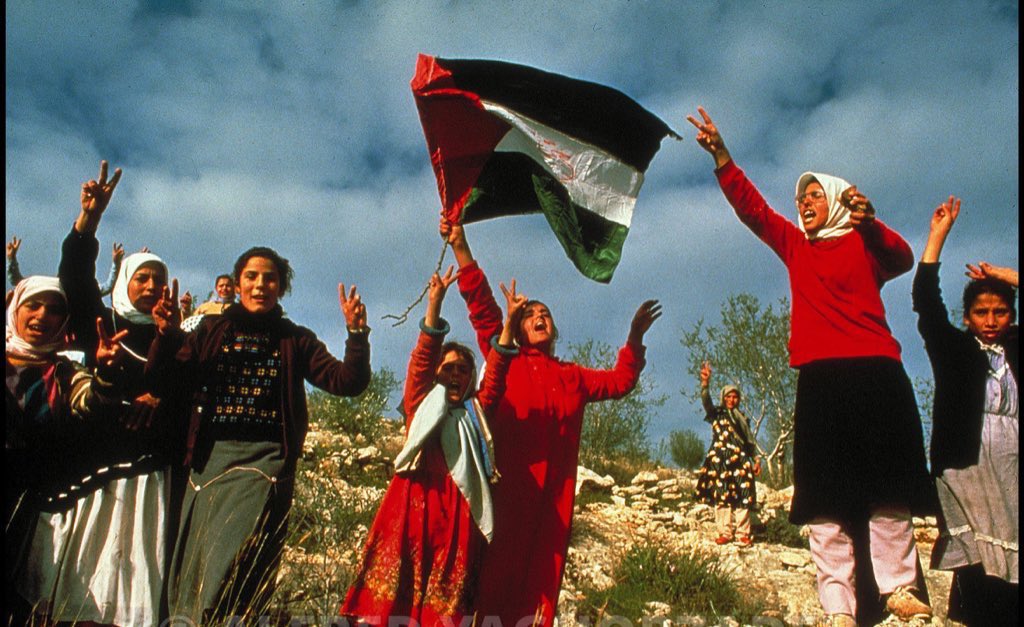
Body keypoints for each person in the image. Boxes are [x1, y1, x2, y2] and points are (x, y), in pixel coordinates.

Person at [687, 107, 936, 625]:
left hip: (876, 373)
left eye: (814, 196)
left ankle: (899, 590)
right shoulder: (797, 248)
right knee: (823, 497)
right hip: (821, 380)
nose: (803, 205)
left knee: (888, 488)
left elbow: (903, 257)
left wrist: (870, 221)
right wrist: (722, 157)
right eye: (800, 199)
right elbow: (753, 211)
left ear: (838, 199)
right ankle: (837, 607)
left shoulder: (865, 242)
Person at [440, 218, 661, 627]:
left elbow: (620, 381)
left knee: (541, 590)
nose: (539, 317)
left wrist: (633, 339)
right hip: (506, 491)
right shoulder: (506, 359)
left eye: (545, 314)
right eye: (530, 314)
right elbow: (482, 309)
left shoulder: (573, 376)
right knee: (493, 581)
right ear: (518, 329)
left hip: (553, 504)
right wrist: (461, 246)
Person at [147, 245, 372, 622]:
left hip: (267, 460)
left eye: (270, 278)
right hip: (211, 460)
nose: (260, 285)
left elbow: (346, 381)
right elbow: (166, 381)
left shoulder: (295, 339)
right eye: (251, 277)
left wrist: (357, 335)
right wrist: (167, 335)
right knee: (198, 556)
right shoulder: (210, 330)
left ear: (281, 288)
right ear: (237, 284)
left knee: (239, 557)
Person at [341, 266, 524, 625]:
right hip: (412, 508)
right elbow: (422, 359)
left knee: (442, 608)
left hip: (457, 516)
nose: (455, 375)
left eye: (463, 370)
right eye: (449, 368)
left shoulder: (476, 414)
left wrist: (509, 325)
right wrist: (434, 305)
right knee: (392, 603)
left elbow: (498, 372)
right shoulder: (420, 404)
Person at [50, 160, 178, 626]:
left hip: (147, 478)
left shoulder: (175, 337)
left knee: (135, 587)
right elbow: (76, 277)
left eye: (157, 279)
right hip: (94, 471)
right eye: (141, 278)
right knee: (82, 587)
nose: (150, 287)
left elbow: (187, 393)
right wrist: (90, 220)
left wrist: (164, 393)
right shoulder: (101, 322)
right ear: (125, 280)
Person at [913, 196, 1018, 626]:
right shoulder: (952, 348)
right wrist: (938, 236)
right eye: (981, 312)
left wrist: (1001, 275)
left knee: (1010, 555)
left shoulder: (1015, 348)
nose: (991, 319)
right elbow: (925, 299)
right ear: (968, 317)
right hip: (964, 465)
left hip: (1010, 463)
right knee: (974, 555)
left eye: (1000, 311)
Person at [5, 276, 128, 624]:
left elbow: (91, 402)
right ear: (16, 309)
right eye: (34, 305)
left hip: (32, 504)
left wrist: (106, 370)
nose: (43, 315)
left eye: (55, 309)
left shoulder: (64, 373)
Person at [694, 361, 761, 547]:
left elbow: (749, 441)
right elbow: (706, 400)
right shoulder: (716, 413)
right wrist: (705, 384)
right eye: (728, 397)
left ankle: (743, 534)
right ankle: (725, 532)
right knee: (722, 496)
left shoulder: (742, 419)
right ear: (723, 398)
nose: (732, 400)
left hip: (740, 460)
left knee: (743, 496)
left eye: (735, 397)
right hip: (720, 460)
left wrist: (756, 459)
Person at [7, 235, 124, 296]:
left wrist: (116, 263)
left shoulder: (87, 289)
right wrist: (11, 258)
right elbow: (18, 282)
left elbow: (108, 286)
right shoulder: (55, 286)